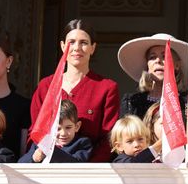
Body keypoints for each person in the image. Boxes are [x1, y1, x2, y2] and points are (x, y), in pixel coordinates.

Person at [28, 19, 120, 162]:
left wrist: (87, 171)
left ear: (93, 48)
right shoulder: (45, 86)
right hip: (46, 173)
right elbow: (34, 132)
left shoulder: (107, 88)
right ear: (63, 46)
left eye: (83, 42)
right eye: (71, 42)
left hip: (89, 174)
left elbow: (109, 137)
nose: (77, 48)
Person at [117, 33, 188, 122]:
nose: (158, 61)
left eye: (165, 56)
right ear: (147, 66)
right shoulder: (132, 102)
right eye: (152, 57)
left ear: (177, 65)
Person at [19, 99, 93, 163]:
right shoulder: (41, 143)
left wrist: (51, 152)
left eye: (68, 127)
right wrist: (34, 158)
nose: (63, 133)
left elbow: (76, 164)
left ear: (77, 126)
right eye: (58, 129)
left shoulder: (82, 143)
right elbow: (20, 164)